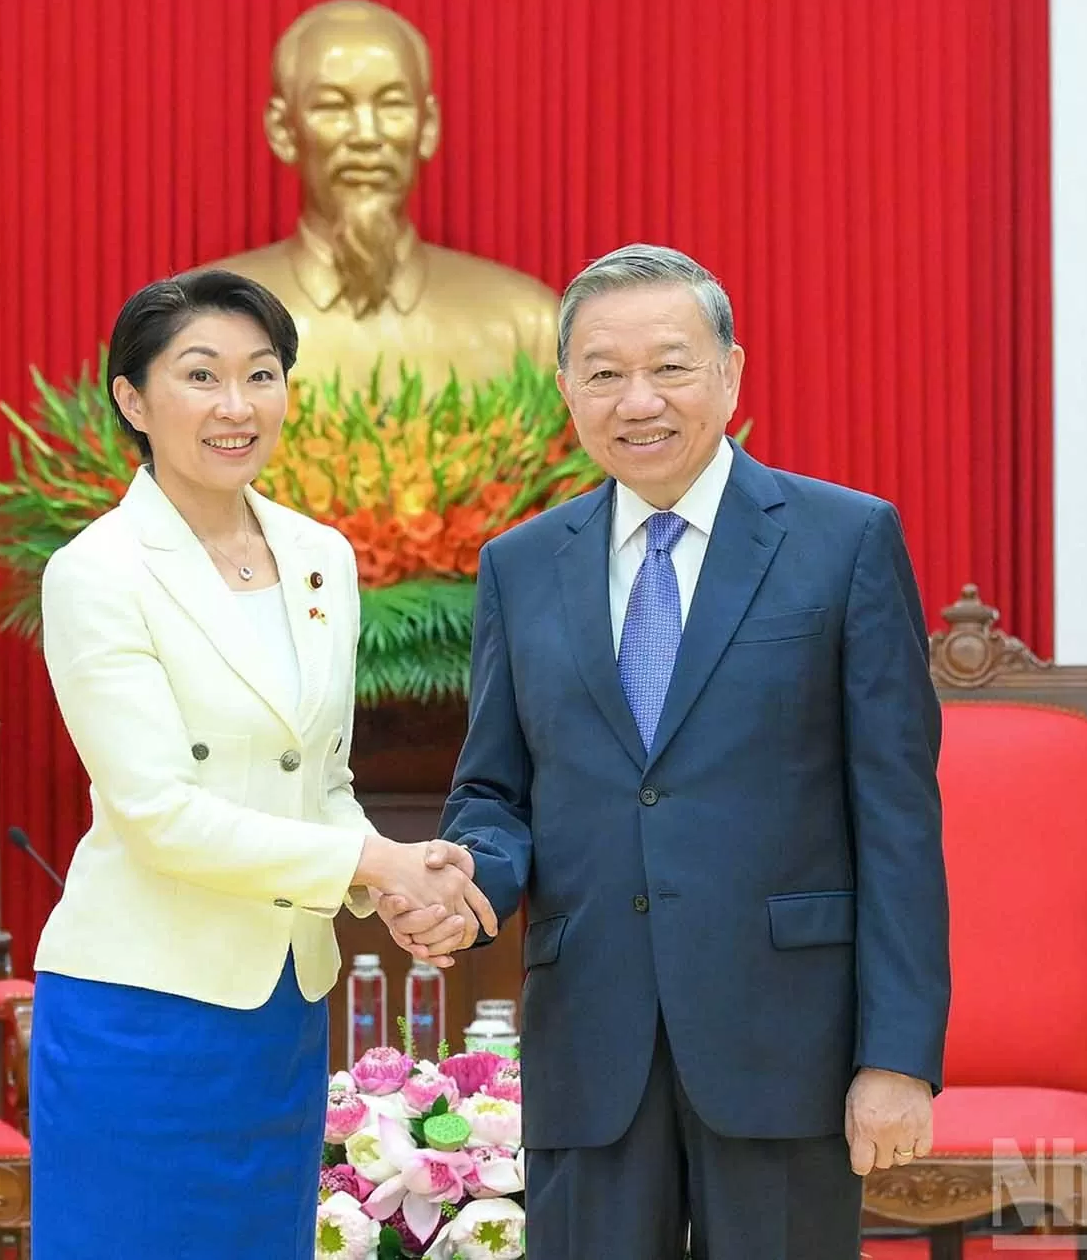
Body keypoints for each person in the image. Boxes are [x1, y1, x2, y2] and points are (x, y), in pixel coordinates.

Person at [382, 244, 951, 1257]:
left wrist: (896, 1057)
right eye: (602, 372)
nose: (636, 400)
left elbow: (897, 817)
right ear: (565, 390)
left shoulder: (842, 540)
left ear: (730, 373)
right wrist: (466, 884)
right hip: (590, 1049)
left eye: (669, 366)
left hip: (785, 1046)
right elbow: (494, 793)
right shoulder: (519, 566)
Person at [28, 269, 496, 1257]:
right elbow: (158, 814)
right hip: (142, 1007)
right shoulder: (97, 573)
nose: (236, 407)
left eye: (261, 374)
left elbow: (316, 781)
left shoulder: (318, 554)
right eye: (200, 376)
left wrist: (401, 881)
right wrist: (379, 867)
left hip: (278, 999)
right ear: (132, 399)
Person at [204, 0, 558, 393]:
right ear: (283, 131)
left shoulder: (528, 330)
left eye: (392, 105)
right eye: (332, 107)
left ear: (428, 126)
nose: (367, 136)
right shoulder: (195, 325)